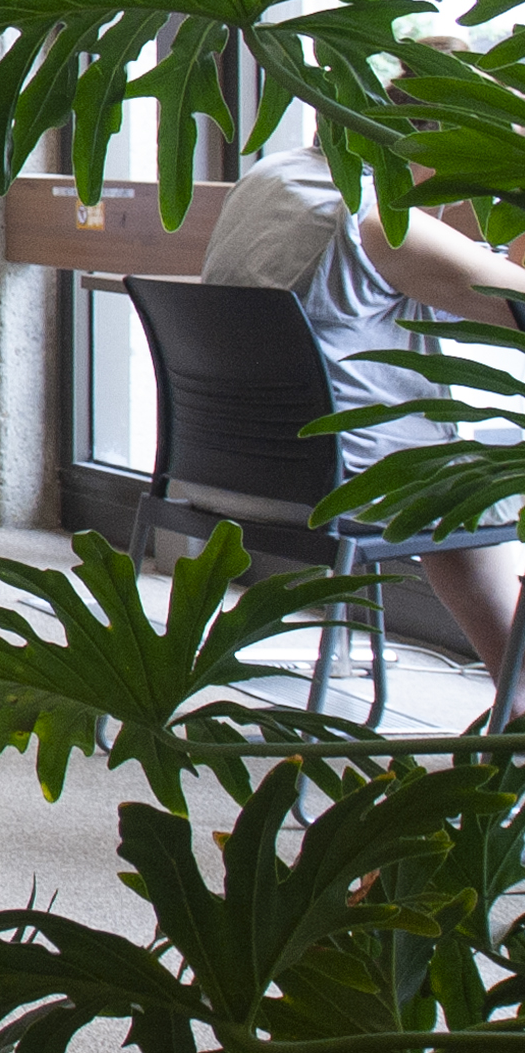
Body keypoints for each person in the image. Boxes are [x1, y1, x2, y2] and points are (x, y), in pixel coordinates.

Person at [200, 134, 525, 689]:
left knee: (458, 462)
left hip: (234, 468)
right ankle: (515, 695)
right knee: (487, 469)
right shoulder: (375, 218)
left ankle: (514, 697)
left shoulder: (268, 178)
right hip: (349, 482)